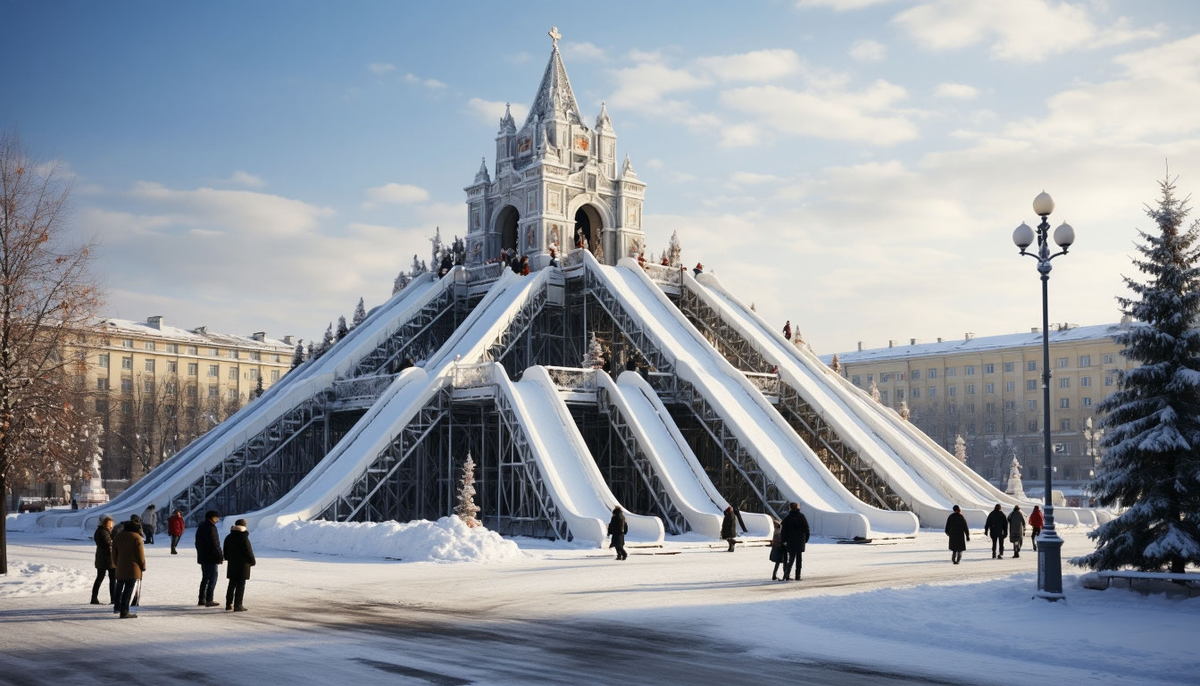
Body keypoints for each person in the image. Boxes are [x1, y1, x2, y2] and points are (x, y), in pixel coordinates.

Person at [112, 515, 145, 619]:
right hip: (133, 567)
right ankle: (124, 611)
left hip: (121, 566)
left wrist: (116, 563)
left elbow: (114, 553)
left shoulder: (118, 536)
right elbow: (140, 554)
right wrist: (143, 566)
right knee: (128, 589)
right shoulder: (136, 538)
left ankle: (117, 607)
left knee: (120, 586)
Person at [223, 519, 256, 611]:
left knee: (231, 584)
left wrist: (228, 558)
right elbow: (248, 551)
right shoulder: (243, 537)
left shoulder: (229, 537)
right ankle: (238, 605)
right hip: (243, 565)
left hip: (232, 564)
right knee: (241, 585)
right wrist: (252, 561)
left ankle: (228, 604)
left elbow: (225, 550)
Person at [195, 509, 224, 607]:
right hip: (211, 557)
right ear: (212, 518)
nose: (217, 519)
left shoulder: (201, 527)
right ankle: (209, 599)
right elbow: (215, 544)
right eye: (216, 517)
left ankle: (201, 599)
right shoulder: (211, 528)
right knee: (212, 578)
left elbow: (197, 543)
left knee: (205, 578)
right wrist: (220, 556)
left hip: (203, 557)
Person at [780, 502, 810, 580]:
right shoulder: (802, 517)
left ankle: (787, 575)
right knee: (799, 560)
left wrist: (783, 540)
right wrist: (805, 540)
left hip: (790, 541)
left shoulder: (787, 518)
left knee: (791, 559)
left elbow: (783, 531)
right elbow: (806, 529)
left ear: (790, 508)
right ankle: (798, 576)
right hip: (800, 541)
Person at [91, 515, 116, 605]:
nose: (111, 527)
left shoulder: (101, 531)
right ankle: (113, 598)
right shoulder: (103, 532)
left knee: (100, 578)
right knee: (112, 579)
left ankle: (94, 597)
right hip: (108, 559)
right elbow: (108, 545)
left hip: (102, 558)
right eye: (110, 525)